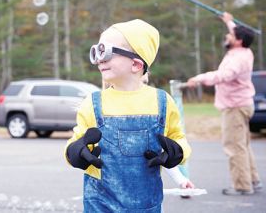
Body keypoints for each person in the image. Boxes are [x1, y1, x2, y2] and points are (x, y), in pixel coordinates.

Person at [65, 19, 191, 212]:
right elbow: (75, 142)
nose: (99, 59)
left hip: (145, 204)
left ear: (135, 64)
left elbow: (178, 139)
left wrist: (178, 151)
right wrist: (75, 152)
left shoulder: (162, 102)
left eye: (105, 52)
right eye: (96, 52)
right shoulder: (93, 103)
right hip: (100, 204)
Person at [187, 12, 262, 196]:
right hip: (242, 104)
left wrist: (199, 79)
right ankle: (253, 180)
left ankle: (242, 186)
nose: (227, 36)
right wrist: (230, 22)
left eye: (230, 35)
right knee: (242, 144)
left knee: (234, 146)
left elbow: (222, 76)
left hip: (235, 107)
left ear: (238, 41)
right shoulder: (244, 50)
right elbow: (237, 32)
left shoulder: (238, 59)